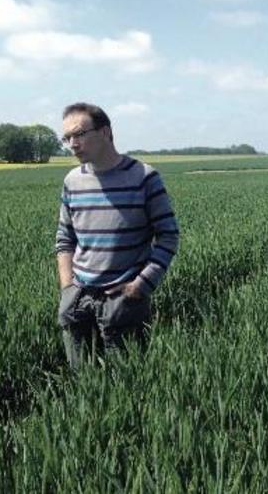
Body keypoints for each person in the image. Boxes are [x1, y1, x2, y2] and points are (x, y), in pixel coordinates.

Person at [55, 102, 179, 369]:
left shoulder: (144, 177)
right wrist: (67, 287)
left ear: (106, 132)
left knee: (129, 387)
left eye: (79, 134)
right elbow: (65, 238)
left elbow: (168, 236)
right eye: (67, 138)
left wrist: (141, 286)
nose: (73, 144)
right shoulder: (72, 181)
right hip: (78, 300)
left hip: (123, 302)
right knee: (83, 385)